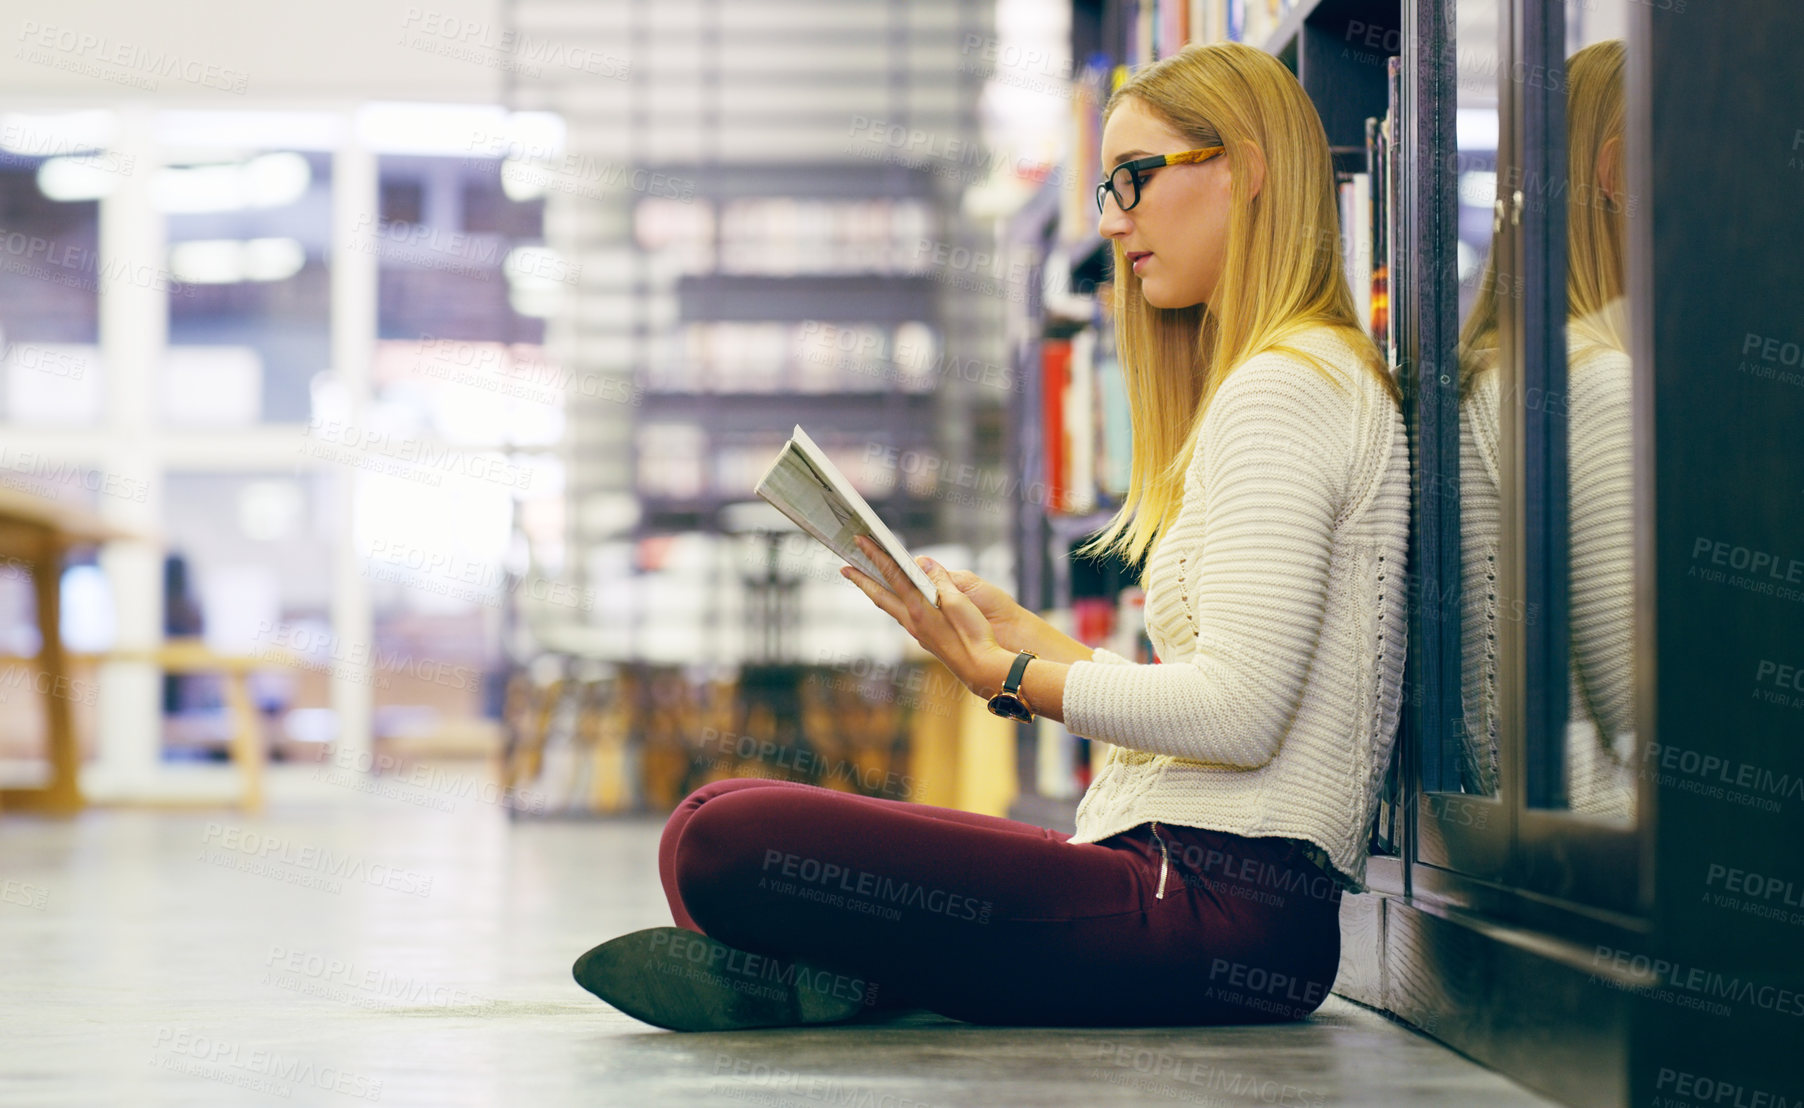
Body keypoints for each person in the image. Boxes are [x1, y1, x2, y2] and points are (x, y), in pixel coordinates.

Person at [572, 40, 1411, 1032]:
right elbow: (1216, 696)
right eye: (1104, 187)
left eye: (1134, 182)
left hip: (1217, 912)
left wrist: (1009, 677)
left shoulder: (1287, 387)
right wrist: (1022, 639)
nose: (1109, 220)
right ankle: (867, 974)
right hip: (1173, 880)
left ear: (1251, 167)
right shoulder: (1279, 383)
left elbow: (1236, 716)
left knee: (726, 842)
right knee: (704, 820)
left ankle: (868, 969)